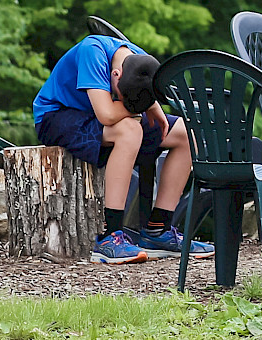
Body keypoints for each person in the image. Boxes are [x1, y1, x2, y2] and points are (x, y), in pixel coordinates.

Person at [34, 35, 215, 264]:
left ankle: (158, 230)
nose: (122, 101)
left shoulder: (137, 57)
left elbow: (138, 100)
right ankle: (109, 237)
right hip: (58, 115)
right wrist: (138, 111)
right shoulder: (94, 51)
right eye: (121, 97)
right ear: (115, 75)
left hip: (99, 117)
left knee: (185, 134)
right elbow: (107, 114)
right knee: (130, 130)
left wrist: (155, 111)